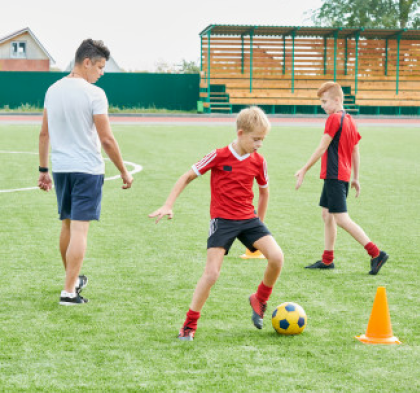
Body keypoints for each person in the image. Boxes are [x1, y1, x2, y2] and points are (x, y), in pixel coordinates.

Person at [149, 107, 283, 341]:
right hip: (223, 221)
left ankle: (260, 298)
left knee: (277, 257)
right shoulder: (219, 155)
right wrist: (168, 204)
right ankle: (189, 325)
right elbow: (187, 176)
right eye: (256, 139)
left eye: (263, 139)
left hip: (249, 220)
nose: (260, 144)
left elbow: (264, 193)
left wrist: (259, 227)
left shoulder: (259, 162)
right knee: (211, 274)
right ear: (240, 133)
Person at [38, 39, 133, 305]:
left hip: (62, 169)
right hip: (87, 170)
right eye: (100, 67)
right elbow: (107, 140)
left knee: (67, 225)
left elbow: (44, 133)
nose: (101, 73)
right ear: (87, 62)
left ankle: (73, 279)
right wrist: (124, 171)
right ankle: (69, 291)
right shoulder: (94, 94)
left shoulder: (52, 90)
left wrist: (43, 169)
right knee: (80, 229)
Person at [295, 82, 388, 275]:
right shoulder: (350, 120)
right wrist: (356, 177)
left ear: (337, 100)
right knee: (327, 215)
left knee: (341, 218)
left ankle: (376, 252)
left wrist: (304, 169)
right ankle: (327, 260)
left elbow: (322, 147)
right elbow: (356, 150)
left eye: (324, 101)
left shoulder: (334, 119)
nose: (322, 106)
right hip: (341, 175)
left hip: (335, 175)